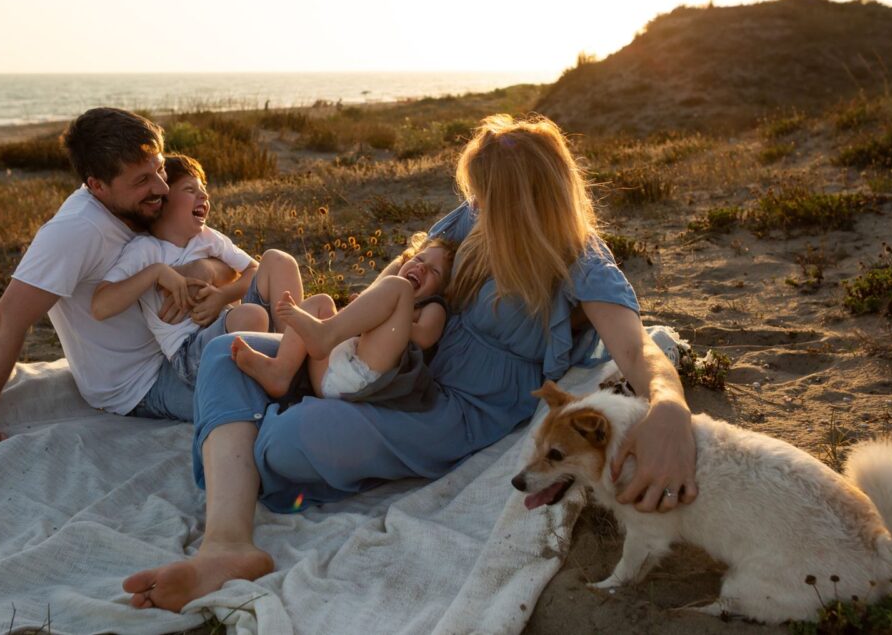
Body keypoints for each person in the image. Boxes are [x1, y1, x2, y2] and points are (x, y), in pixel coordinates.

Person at [122, 114, 698, 612]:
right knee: (227, 354)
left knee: (284, 441)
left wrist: (669, 408)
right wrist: (344, 349)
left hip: (451, 408)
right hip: (399, 366)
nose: (475, 206)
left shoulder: (579, 259)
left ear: (527, 199)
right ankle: (226, 544)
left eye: (488, 195)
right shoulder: (475, 215)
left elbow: (637, 348)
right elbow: (396, 279)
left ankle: (250, 439)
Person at [0, 108, 252, 453]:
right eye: (142, 180)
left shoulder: (145, 204)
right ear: (96, 185)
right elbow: (7, 320)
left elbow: (227, 264)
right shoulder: (75, 231)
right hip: (143, 381)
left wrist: (202, 270)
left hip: (189, 343)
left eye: (159, 169)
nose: (161, 187)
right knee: (258, 397)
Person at [91, 154, 267, 387]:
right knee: (252, 316)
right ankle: (278, 363)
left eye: (203, 189)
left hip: (225, 326)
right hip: (189, 352)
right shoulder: (145, 250)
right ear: (162, 202)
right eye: (189, 189)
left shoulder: (207, 238)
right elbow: (100, 307)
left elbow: (254, 269)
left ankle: (285, 357)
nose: (204, 195)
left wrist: (223, 296)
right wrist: (156, 272)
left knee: (278, 261)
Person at [231, 234, 454, 399]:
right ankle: (280, 371)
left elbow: (425, 337)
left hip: (364, 380)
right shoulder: (390, 295)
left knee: (400, 287)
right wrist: (363, 312)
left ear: (443, 289)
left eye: (434, 271)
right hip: (334, 371)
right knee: (321, 302)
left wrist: (391, 316)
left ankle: (324, 334)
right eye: (419, 260)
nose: (422, 268)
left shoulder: (433, 307)